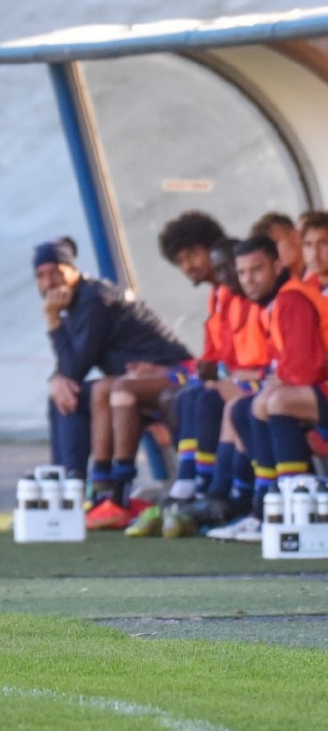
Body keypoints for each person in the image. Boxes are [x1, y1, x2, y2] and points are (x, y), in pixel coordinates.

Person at [33, 237, 191, 530]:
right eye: (41, 276)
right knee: (72, 395)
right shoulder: (80, 301)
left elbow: (75, 368)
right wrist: (58, 378)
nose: (49, 282)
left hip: (168, 377)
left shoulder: (94, 300)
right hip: (132, 382)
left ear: (72, 269)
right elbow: (70, 369)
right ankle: (79, 492)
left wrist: (52, 321)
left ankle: (88, 493)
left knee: (81, 395)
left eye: (55, 271)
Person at [134, 212, 266, 537]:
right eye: (180, 260)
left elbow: (258, 356)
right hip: (242, 378)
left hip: (263, 381)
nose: (188, 266)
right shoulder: (221, 296)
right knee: (186, 394)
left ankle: (211, 490)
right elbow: (213, 356)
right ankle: (191, 484)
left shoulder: (261, 299)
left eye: (192, 254)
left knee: (207, 398)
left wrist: (220, 373)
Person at [210, 235, 328, 543]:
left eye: (257, 270)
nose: (248, 279)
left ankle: (286, 510)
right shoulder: (271, 304)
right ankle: (264, 511)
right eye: (243, 272)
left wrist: (273, 381)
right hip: (316, 392)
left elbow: (304, 370)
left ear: (277, 265)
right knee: (243, 406)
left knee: (270, 402)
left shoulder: (291, 299)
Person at [251, 211, 304, 279]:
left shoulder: (319, 276)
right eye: (268, 248)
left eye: (275, 243)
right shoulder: (282, 285)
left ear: (295, 236)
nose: (273, 252)